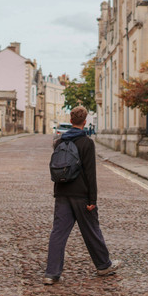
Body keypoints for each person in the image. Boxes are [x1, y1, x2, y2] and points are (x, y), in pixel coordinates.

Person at [43, 106, 121, 285]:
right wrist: (92, 200)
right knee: (92, 231)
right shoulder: (87, 143)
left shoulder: (59, 141)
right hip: (81, 195)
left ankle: (51, 273)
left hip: (62, 193)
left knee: (58, 233)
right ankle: (103, 266)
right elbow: (90, 173)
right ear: (84, 122)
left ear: (71, 121)